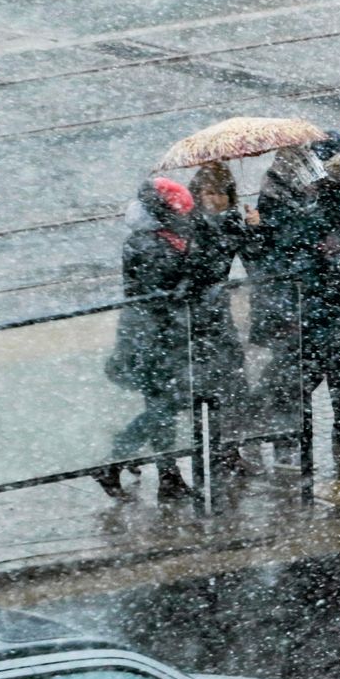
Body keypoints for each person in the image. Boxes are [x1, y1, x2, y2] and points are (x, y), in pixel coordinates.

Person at [250, 143, 340, 464]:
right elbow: (281, 247)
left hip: (329, 293)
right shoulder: (274, 198)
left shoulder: (324, 193)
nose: (312, 179)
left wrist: (335, 240)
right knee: (297, 374)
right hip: (294, 300)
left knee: (338, 366)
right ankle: (285, 434)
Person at [98, 177, 201, 500]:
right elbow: (162, 292)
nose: (184, 219)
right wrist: (189, 274)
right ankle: (116, 461)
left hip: (157, 337)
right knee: (164, 407)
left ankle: (167, 477)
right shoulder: (148, 244)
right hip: (151, 340)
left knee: (163, 409)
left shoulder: (160, 237)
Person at [185, 162, 261, 473]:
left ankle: (227, 450)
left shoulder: (230, 223)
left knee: (234, 381)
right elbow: (193, 268)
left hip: (218, 312)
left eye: (222, 193)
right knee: (201, 387)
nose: (216, 200)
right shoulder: (188, 224)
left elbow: (253, 259)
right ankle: (209, 454)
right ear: (198, 194)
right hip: (192, 315)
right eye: (209, 193)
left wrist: (254, 228)